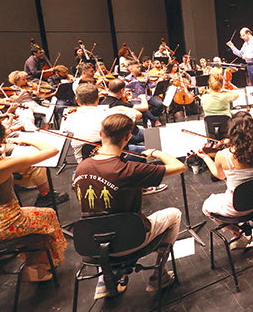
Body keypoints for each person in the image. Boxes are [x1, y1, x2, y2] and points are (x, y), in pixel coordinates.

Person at [73, 113, 184, 297]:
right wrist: (155, 152)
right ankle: (159, 275)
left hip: (92, 243)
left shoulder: (81, 168)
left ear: (101, 133)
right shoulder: (129, 169)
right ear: (128, 137)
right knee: (174, 214)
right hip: (130, 239)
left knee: (99, 214)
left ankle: (103, 279)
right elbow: (179, 166)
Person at [0, 118, 67, 282]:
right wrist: (26, 138)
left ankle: (34, 266)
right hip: (4, 222)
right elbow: (51, 150)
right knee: (48, 216)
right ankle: (40, 268)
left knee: (35, 217)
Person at [200, 112, 253, 249]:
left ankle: (240, 232)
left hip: (237, 207)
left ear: (232, 132)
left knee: (206, 206)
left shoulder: (223, 155)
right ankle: (247, 228)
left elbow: (219, 176)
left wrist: (205, 157)